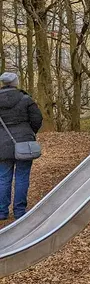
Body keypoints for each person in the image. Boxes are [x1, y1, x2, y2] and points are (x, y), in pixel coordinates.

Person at [0, 72, 43, 220]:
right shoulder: (26, 99)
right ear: (16, 83)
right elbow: (37, 119)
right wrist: (29, 132)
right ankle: (19, 211)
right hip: (24, 143)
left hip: (2, 145)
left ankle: (2, 211)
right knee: (22, 176)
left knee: (3, 178)